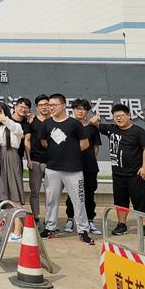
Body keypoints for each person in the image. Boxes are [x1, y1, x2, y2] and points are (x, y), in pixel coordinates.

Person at [89, 104, 145, 239]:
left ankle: (143, 227)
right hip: (118, 173)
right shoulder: (111, 129)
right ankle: (121, 225)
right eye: (116, 116)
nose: (119, 118)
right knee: (120, 201)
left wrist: (144, 167)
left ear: (128, 115)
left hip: (135, 173)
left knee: (140, 200)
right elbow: (97, 126)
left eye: (121, 116)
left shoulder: (138, 131)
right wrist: (93, 122)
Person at [38, 93, 95, 245]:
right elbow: (44, 142)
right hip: (53, 168)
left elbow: (85, 144)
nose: (51, 108)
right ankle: (50, 228)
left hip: (73, 169)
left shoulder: (74, 124)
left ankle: (83, 231)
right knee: (51, 200)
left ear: (63, 106)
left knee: (79, 201)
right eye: (49, 105)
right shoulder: (46, 124)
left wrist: (70, 153)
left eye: (54, 105)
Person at [65, 99, 102, 235]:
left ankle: (90, 221)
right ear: (73, 110)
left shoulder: (92, 128)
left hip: (89, 166)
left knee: (89, 194)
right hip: (72, 166)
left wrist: (89, 159)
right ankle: (70, 219)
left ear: (87, 112)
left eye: (83, 109)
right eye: (77, 108)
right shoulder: (69, 126)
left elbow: (96, 148)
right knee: (72, 194)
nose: (80, 111)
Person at [0, 102, 25, 242]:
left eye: (0, 112)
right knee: (6, 196)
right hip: (0, 159)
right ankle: (11, 229)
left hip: (11, 157)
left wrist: (6, 119)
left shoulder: (13, 124)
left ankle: (18, 231)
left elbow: (19, 132)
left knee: (14, 196)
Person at [24, 94, 50, 225]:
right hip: (35, 160)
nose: (44, 107)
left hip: (52, 161)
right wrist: (28, 158)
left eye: (46, 105)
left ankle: (50, 219)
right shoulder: (31, 121)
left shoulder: (55, 121)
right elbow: (27, 140)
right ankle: (36, 217)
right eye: (41, 105)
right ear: (37, 107)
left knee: (51, 192)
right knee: (35, 191)